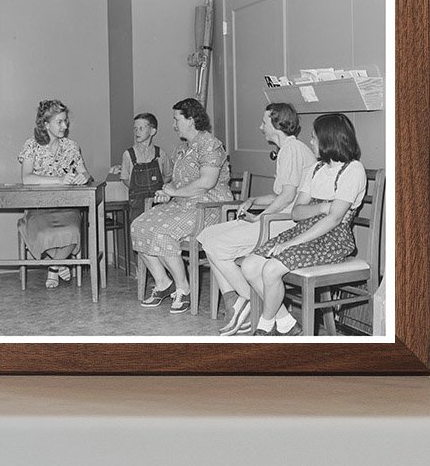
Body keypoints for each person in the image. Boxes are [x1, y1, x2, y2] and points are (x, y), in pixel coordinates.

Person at [240, 112, 367, 336]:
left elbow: (334, 219)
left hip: (332, 238)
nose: (310, 141)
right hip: (303, 229)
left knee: (271, 269)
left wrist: (292, 243)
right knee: (250, 266)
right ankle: (287, 323)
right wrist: (321, 207)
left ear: (329, 140)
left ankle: (265, 326)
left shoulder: (353, 170)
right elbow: (298, 213)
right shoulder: (314, 170)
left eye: (314, 137)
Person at [198, 103, 315, 337]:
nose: (260, 127)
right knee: (206, 236)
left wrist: (261, 218)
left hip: (287, 223)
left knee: (217, 246)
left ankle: (247, 301)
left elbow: (288, 198)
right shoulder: (288, 150)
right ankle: (261, 310)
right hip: (278, 216)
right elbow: (281, 194)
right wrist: (253, 200)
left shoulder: (292, 149)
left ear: (277, 124)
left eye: (264, 122)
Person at [131, 97, 231, 314]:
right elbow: (177, 182)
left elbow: (207, 182)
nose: (174, 124)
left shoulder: (210, 145)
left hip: (209, 206)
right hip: (182, 204)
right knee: (139, 226)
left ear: (191, 119)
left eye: (177, 119)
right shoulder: (182, 148)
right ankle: (163, 283)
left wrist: (174, 192)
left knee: (162, 232)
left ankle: (184, 288)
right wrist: (166, 192)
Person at [18, 98, 92, 289]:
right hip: (38, 208)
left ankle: (54, 266)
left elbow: (85, 173)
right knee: (43, 233)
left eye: (65, 121)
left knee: (74, 232)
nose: (65, 126)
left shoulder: (72, 147)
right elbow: (27, 178)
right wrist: (59, 180)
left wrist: (83, 177)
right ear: (45, 124)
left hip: (67, 207)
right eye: (59, 122)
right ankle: (61, 262)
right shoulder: (31, 145)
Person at [119, 112, 172, 226]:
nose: (137, 131)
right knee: (137, 229)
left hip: (157, 203)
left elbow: (168, 175)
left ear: (153, 131)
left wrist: (160, 187)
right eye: (135, 128)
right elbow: (125, 178)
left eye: (141, 128)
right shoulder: (128, 154)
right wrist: (136, 188)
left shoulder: (160, 154)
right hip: (137, 204)